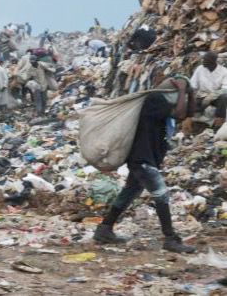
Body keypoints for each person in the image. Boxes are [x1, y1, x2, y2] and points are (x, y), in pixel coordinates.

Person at [94, 77, 197, 254]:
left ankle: (104, 229)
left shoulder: (163, 106)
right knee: (161, 194)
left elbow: (189, 113)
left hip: (146, 158)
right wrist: (182, 90)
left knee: (129, 193)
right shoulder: (154, 100)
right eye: (179, 94)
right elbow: (180, 113)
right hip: (141, 158)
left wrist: (191, 92)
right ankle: (170, 238)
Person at [190, 51, 227, 127]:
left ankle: (218, 123)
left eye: (205, 60)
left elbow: (225, 89)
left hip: (216, 97)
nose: (203, 61)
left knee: (223, 98)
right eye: (203, 59)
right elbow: (193, 85)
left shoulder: (223, 71)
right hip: (201, 95)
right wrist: (191, 96)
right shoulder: (200, 69)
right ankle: (193, 121)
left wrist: (211, 96)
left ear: (213, 61)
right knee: (192, 108)